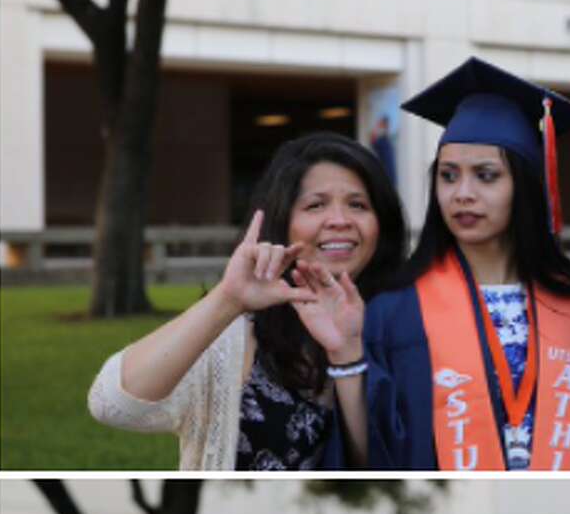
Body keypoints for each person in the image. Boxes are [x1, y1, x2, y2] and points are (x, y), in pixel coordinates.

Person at [88, 133, 407, 469]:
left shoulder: (406, 331)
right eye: (316, 204)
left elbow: (382, 466)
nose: (340, 220)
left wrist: (347, 357)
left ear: (381, 225)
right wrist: (228, 300)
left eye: (358, 205)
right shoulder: (237, 337)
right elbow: (113, 405)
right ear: (282, 222)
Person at [356, 58, 570, 471]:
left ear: (523, 186)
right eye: (449, 176)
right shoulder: (394, 310)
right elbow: (375, 445)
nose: (462, 194)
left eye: (486, 176)